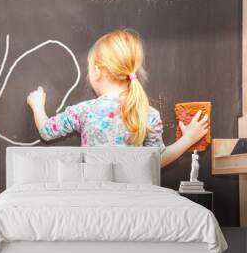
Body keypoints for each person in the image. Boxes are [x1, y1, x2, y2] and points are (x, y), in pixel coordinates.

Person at [26, 29, 208, 167]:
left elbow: (47, 131)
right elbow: (157, 161)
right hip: (131, 201)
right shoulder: (148, 114)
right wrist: (188, 139)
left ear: (97, 71)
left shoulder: (84, 111)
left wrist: (37, 105)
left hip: (95, 198)